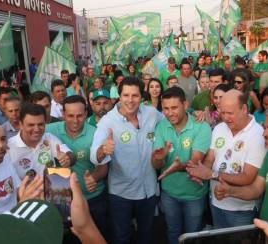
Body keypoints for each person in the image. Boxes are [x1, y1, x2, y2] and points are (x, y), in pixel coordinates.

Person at [90, 76, 163, 244]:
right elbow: (94, 154)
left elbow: (169, 125)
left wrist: (194, 114)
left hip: (148, 191)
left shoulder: (151, 113)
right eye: (126, 95)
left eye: (135, 95)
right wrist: (103, 150)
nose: (130, 100)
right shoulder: (108, 121)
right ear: (119, 96)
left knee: (146, 235)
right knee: (122, 237)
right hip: (121, 195)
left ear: (141, 97)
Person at [214, 106, 268, 244]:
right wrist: (230, 191)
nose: (264, 134)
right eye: (265, 128)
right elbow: (256, 189)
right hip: (266, 236)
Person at [187, 89, 266, 228]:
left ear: (244, 108)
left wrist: (211, 174)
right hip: (216, 202)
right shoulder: (219, 128)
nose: (226, 118)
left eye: (230, 113)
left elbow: (248, 177)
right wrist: (201, 172)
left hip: (241, 209)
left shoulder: (258, 135)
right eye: (222, 112)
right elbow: (210, 158)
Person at [152, 86, 211, 244]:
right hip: (169, 193)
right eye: (165, 108)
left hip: (194, 194)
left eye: (174, 107)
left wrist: (179, 167)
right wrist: (159, 158)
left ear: (185, 105)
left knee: (192, 235)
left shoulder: (201, 127)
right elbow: (156, 163)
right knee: (173, 232)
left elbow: (195, 162)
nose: (169, 113)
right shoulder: (161, 126)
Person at [46, 95, 108, 239]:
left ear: (86, 113)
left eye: (80, 115)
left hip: (93, 198)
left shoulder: (96, 133)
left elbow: (103, 167)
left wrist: (94, 177)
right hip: (63, 201)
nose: (75, 120)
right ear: (63, 114)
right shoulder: (50, 131)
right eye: (70, 116)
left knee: (96, 237)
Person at [0, 120, 43, 224]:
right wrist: (22, 205)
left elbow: (18, 192)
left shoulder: (5, 160)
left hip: (21, 220)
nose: (0, 145)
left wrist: (34, 192)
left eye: (3, 139)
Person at [5, 103, 75, 179]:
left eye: (40, 124)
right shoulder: (8, 147)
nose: (37, 129)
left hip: (52, 189)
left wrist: (67, 158)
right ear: (21, 125)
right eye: (31, 125)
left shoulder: (48, 138)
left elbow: (70, 155)